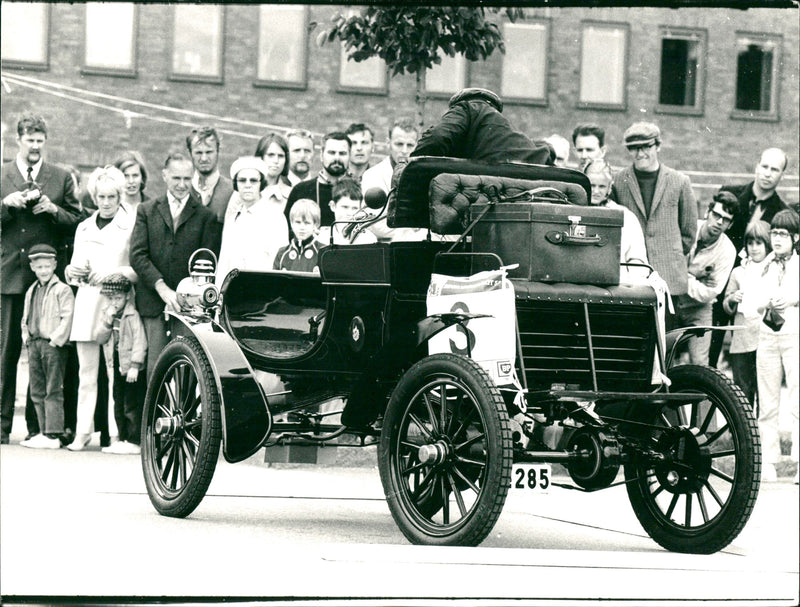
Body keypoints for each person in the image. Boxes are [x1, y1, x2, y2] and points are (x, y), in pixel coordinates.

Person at [1, 114, 82, 444]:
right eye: (29, 140)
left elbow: (79, 220)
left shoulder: (61, 177)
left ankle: (41, 429)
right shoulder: (3, 175)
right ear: (18, 140)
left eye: (40, 141)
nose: (35, 147)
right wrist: (5, 205)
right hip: (9, 275)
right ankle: (2, 425)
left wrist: (52, 209)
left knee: (47, 351)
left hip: (48, 283)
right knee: (5, 353)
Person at [64, 166, 138, 451]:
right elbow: (72, 270)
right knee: (86, 373)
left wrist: (113, 274)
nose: (105, 202)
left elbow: (135, 267)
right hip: (86, 302)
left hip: (114, 305)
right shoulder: (83, 226)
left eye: (111, 196)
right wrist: (73, 270)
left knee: (114, 372)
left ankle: (116, 432)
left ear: (120, 196)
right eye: (100, 196)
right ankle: (82, 431)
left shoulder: (130, 224)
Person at [130, 150, 220, 380]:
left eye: (187, 179)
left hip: (188, 308)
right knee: (156, 369)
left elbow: (207, 262)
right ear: (164, 176)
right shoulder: (147, 210)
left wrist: (184, 296)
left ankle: (184, 417)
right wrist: (161, 288)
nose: (181, 184)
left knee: (186, 368)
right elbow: (138, 255)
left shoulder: (205, 216)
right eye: (176, 178)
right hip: (153, 303)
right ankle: (155, 417)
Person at [709, 148, 790, 368]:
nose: (767, 173)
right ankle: (703, 403)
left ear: (782, 174)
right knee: (708, 356)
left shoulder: (782, 212)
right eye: (764, 166)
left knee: (747, 364)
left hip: (752, 296)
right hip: (718, 285)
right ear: (757, 166)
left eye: (775, 169)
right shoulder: (730, 193)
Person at [611, 122, 698, 325]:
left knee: (665, 340)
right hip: (633, 277)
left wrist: (668, 253)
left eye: (646, 146)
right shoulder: (619, 181)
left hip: (668, 279)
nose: (640, 153)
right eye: (634, 148)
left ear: (657, 146)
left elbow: (689, 231)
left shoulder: (679, 181)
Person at [752, 210, 799, 483]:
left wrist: (791, 300)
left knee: (798, 400)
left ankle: (798, 460)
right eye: (775, 233)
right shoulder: (763, 265)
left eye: (783, 234)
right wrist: (766, 304)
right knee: (767, 402)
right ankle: (768, 461)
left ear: (795, 237)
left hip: (795, 334)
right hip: (767, 335)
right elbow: (751, 303)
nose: (777, 239)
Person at [19, 244, 75, 449]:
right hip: (34, 344)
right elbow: (25, 316)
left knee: (53, 388)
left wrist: (55, 339)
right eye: (39, 267)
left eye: (47, 266)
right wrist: (26, 336)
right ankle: (42, 431)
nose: (43, 270)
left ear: (55, 265)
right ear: (33, 267)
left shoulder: (63, 290)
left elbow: (67, 317)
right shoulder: (31, 290)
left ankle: (54, 433)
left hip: (53, 346)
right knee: (37, 389)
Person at [410, 88, 554, 165]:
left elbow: (437, 137)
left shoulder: (467, 107)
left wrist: (410, 165)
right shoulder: (504, 126)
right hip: (539, 170)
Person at [675, 191, 738, 365]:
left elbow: (709, 293)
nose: (719, 222)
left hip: (699, 309)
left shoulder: (728, 251)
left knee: (700, 363)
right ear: (707, 213)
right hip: (671, 301)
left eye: (725, 219)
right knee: (661, 355)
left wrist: (683, 275)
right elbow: (668, 266)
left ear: (730, 225)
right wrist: (695, 277)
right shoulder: (687, 228)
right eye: (716, 215)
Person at [722, 220, 772, 408]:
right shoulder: (738, 272)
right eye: (750, 243)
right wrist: (733, 298)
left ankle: (763, 432)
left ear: (767, 244)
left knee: (765, 388)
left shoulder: (773, 270)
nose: (754, 248)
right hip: (742, 339)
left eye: (758, 243)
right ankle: (745, 432)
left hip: (765, 337)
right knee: (743, 388)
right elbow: (726, 305)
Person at [96, 274, 147, 455]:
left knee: (131, 403)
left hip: (131, 366)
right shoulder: (108, 314)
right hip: (116, 363)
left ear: (127, 296)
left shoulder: (132, 315)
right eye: (110, 299)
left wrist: (135, 365)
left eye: (118, 298)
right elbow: (100, 338)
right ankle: (123, 437)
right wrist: (107, 320)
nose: (114, 302)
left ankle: (134, 440)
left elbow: (140, 341)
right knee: (118, 401)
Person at [216, 157, 289, 284]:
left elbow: (280, 262)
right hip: (233, 293)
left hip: (262, 292)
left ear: (261, 183)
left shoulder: (275, 217)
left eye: (253, 180)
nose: (248, 185)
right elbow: (224, 262)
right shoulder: (233, 218)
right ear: (236, 184)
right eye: (242, 180)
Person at [583, 159, 648, 278]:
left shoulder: (626, 217)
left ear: (609, 187)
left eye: (601, 186)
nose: (596, 191)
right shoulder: (573, 212)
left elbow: (637, 258)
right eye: (592, 185)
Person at [285, 131, 351, 227]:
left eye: (342, 153)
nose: (337, 158)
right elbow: (288, 230)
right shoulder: (301, 190)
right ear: (321, 155)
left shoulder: (359, 190)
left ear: (349, 156)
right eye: (331, 153)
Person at [187, 126, 233, 224]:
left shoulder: (232, 192)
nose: (204, 158)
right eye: (198, 153)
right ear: (190, 153)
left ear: (217, 151)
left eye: (209, 152)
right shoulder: (182, 189)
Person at [362, 119, 419, 195]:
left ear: (417, 146)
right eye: (399, 144)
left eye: (410, 145)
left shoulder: (423, 175)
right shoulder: (372, 176)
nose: (404, 151)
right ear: (388, 143)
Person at [318, 178, 377, 246]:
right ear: (333, 206)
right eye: (345, 207)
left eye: (355, 208)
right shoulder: (322, 237)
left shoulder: (368, 238)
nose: (350, 213)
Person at [273, 199, 322, 273]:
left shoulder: (322, 253)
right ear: (291, 223)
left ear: (316, 225)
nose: (302, 227)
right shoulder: (282, 253)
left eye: (307, 223)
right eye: (298, 222)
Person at [254, 133, 293, 213]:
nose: (276, 161)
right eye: (270, 155)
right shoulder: (244, 188)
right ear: (261, 157)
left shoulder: (291, 195)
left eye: (281, 156)